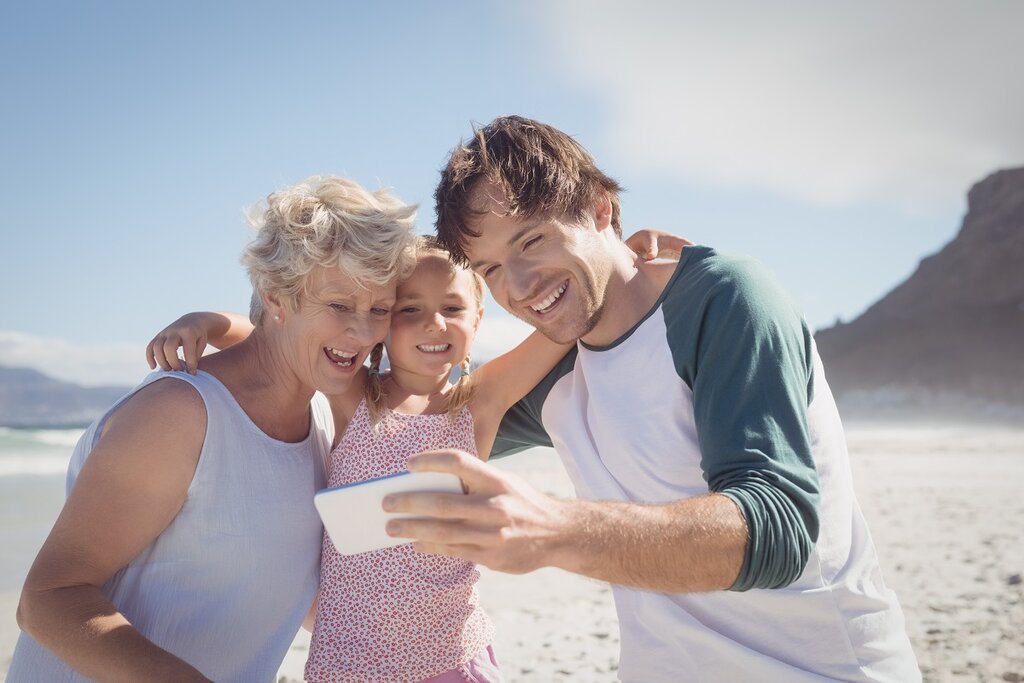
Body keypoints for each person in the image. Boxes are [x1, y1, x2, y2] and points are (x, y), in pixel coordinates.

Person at [382, 116, 922, 681]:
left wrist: (553, 532)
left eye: (533, 240)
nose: (518, 286)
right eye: (490, 268)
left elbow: (778, 528)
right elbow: (400, 434)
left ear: (598, 208)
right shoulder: (551, 372)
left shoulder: (723, 298)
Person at [9, 176, 417, 682]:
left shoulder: (323, 416)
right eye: (338, 306)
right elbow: (46, 600)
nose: (362, 332)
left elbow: (281, 592)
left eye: (379, 309)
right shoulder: (179, 415)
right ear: (276, 296)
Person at [145, 237, 572, 682]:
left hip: (452, 655)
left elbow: (559, 330)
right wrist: (206, 324)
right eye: (410, 310)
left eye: (452, 308)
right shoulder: (356, 396)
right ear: (383, 321)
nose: (434, 324)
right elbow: (274, 338)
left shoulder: (479, 403)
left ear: (478, 319)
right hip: (350, 660)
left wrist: (635, 261)